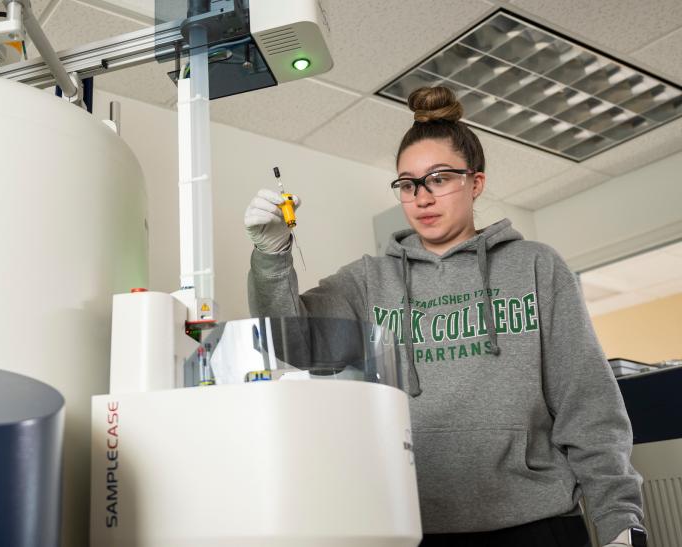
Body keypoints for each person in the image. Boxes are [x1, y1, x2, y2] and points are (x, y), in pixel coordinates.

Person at [244, 86, 645, 547]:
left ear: (475, 182)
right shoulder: (369, 281)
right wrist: (271, 255)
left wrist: (619, 518)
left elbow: (588, 402)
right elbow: (288, 343)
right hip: (415, 526)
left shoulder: (536, 266)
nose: (422, 197)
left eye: (439, 178)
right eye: (408, 183)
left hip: (538, 521)